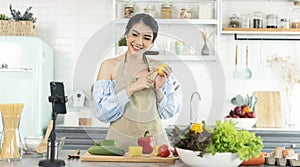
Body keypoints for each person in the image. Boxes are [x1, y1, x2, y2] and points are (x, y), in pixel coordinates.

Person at [93, 13, 181, 150]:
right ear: (126, 34)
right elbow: (102, 113)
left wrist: (158, 89)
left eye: (146, 38)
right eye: (135, 34)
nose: (139, 42)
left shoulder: (159, 68)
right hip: (119, 146)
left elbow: (168, 113)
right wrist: (131, 88)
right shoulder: (109, 66)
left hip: (155, 145)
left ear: (152, 43)